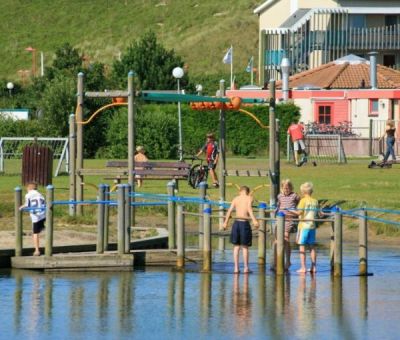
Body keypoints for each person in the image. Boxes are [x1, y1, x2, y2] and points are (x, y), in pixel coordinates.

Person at [223, 186, 259, 274]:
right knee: (245, 247)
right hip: (244, 223)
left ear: (240, 191)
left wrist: (225, 222)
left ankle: (236, 268)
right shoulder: (249, 198)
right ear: (248, 192)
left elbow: (229, 210)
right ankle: (246, 268)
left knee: (236, 247)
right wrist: (254, 220)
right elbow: (249, 209)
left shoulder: (236, 198)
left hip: (236, 223)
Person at [294, 182, 319, 274]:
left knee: (302, 246)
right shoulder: (315, 201)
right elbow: (319, 213)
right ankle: (314, 267)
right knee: (312, 247)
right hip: (312, 226)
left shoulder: (303, 201)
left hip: (303, 226)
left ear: (303, 192)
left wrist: (290, 211)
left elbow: (299, 213)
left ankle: (303, 267)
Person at [276, 179, 300, 271]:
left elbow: (299, 204)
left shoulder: (294, 195)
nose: (286, 190)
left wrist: (295, 212)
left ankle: (288, 260)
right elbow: (279, 206)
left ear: (291, 188)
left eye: (288, 188)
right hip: (280, 219)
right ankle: (278, 260)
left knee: (286, 238)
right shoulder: (280, 196)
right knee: (277, 239)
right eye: (284, 188)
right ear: (282, 188)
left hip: (289, 219)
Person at [19, 181, 46, 256]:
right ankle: (42, 226)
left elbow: (27, 205)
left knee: (35, 233)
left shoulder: (28, 195)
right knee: (40, 226)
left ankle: (37, 250)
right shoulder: (40, 194)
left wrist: (21, 207)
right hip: (43, 215)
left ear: (28, 188)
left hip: (36, 216)